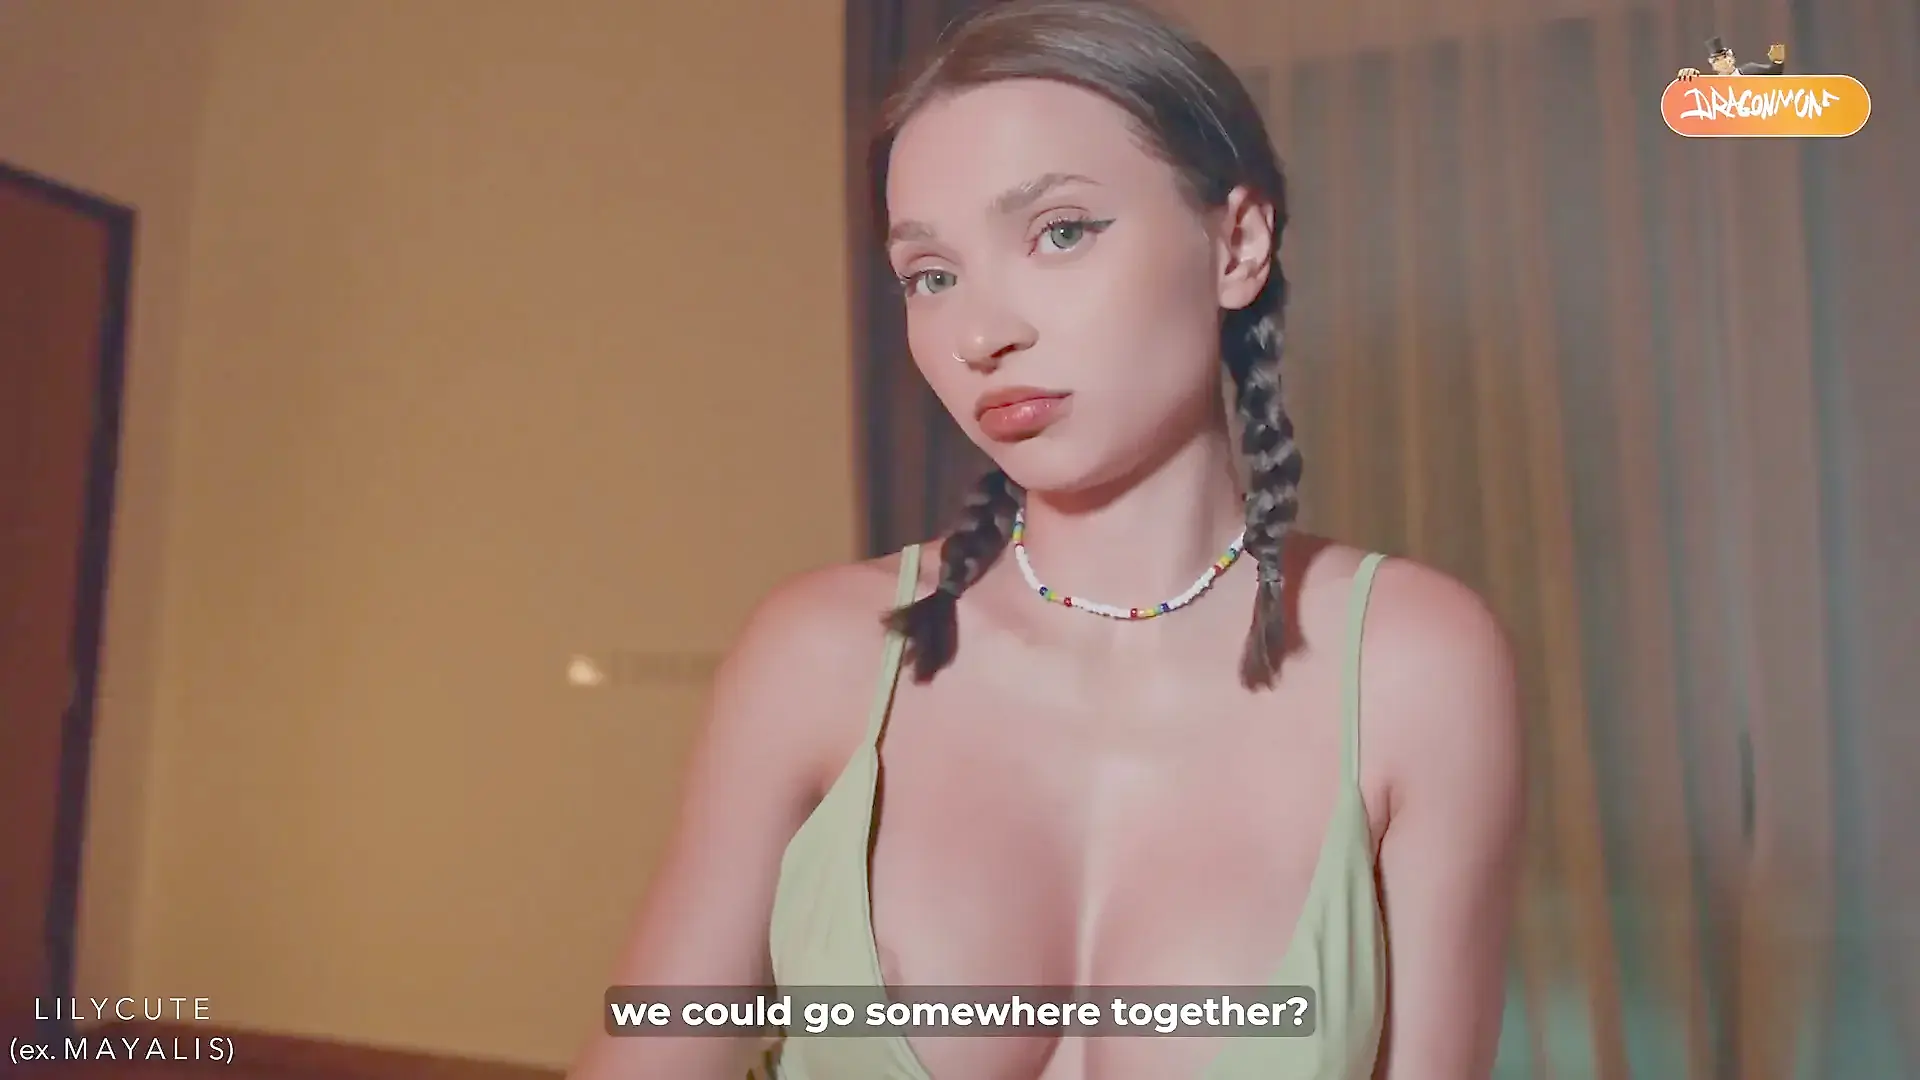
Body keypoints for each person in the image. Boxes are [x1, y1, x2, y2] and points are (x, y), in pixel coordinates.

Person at [567, 1, 1524, 1077]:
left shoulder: (1412, 663)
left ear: (1238, 244)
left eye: (1060, 232)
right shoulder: (822, 655)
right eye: (932, 276)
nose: (983, 333)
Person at [1678, 36, 1788, 78]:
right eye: (1717, 60)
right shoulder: (1711, 86)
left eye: (1726, 56)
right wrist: (1688, 76)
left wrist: (1777, 61)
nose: (1724, 61)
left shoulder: (1750, 71)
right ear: (1713, 65)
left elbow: (1774, 73)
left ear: (1732, 58)